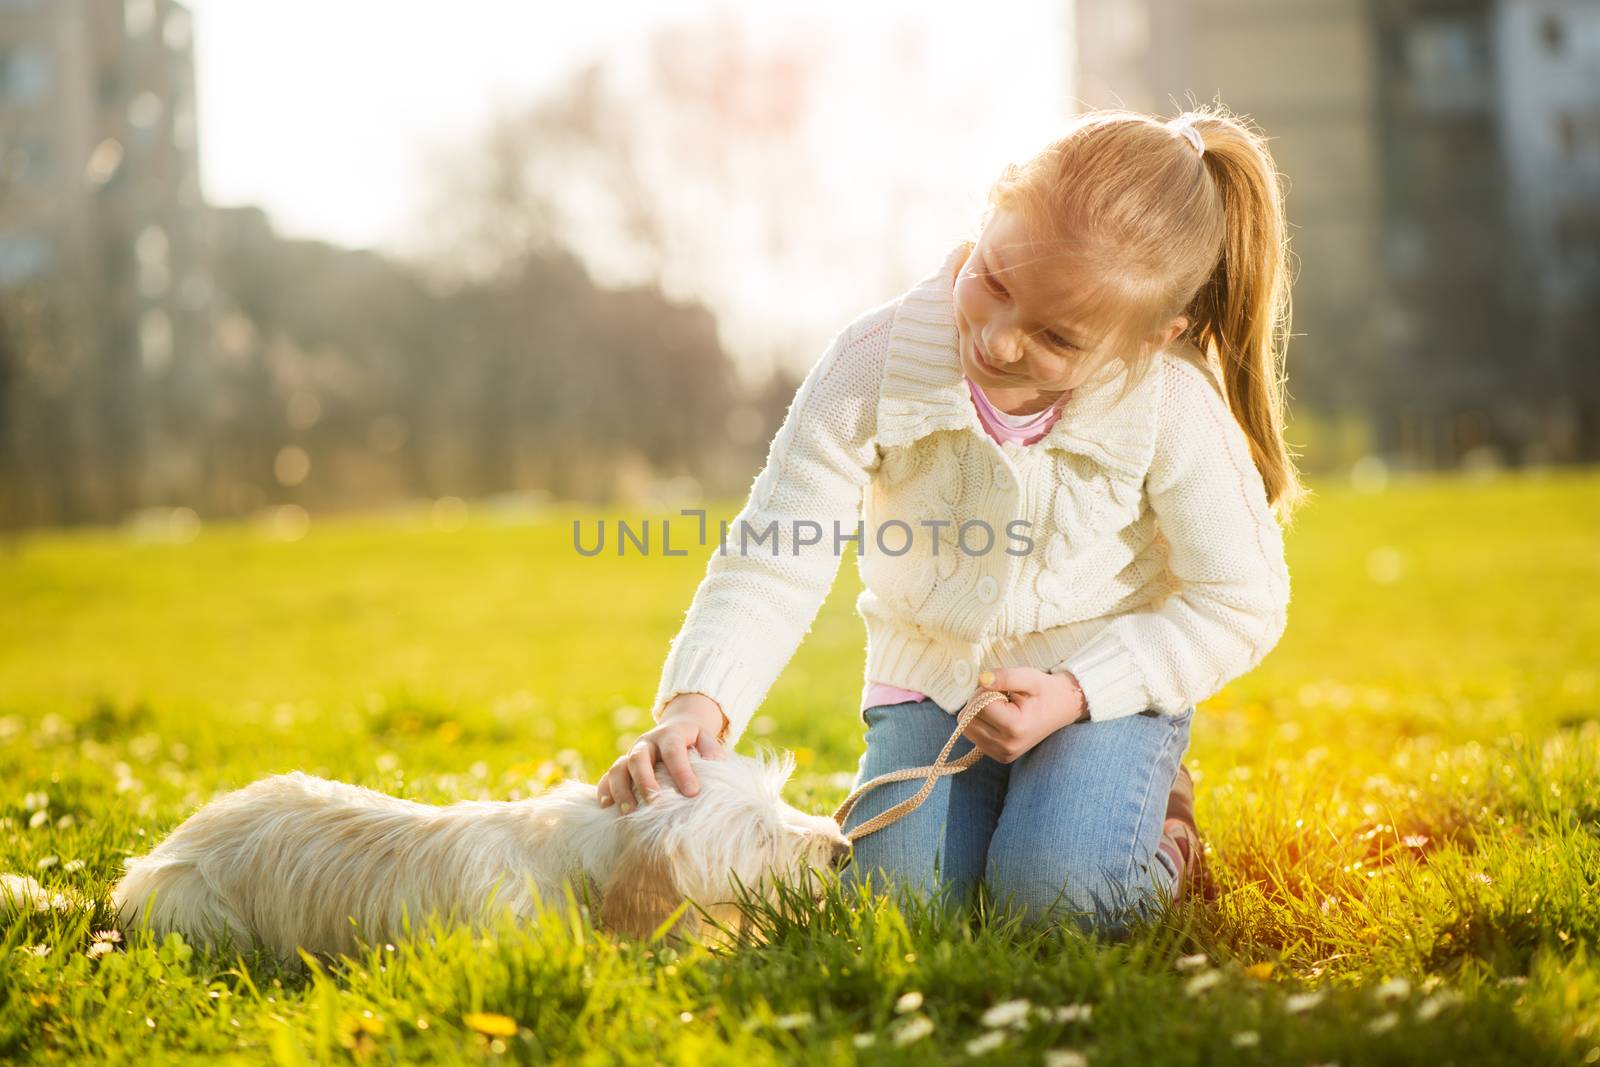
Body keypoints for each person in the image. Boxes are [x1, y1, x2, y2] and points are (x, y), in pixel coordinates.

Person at [596, 105, 1305, 933]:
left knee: (1055, 907)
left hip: (1100, 692)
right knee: (894, 913)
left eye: (1056, 337)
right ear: (987, 215)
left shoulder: (1171, 405)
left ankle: (1165, 839)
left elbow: (1240, 600)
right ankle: (1005, 813)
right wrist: (696, 706)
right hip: (930, 686)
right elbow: (778, 552)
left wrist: (1078, 691)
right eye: (996, 281)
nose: (1000, 342)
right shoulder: (875, 363)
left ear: (1156, 337)